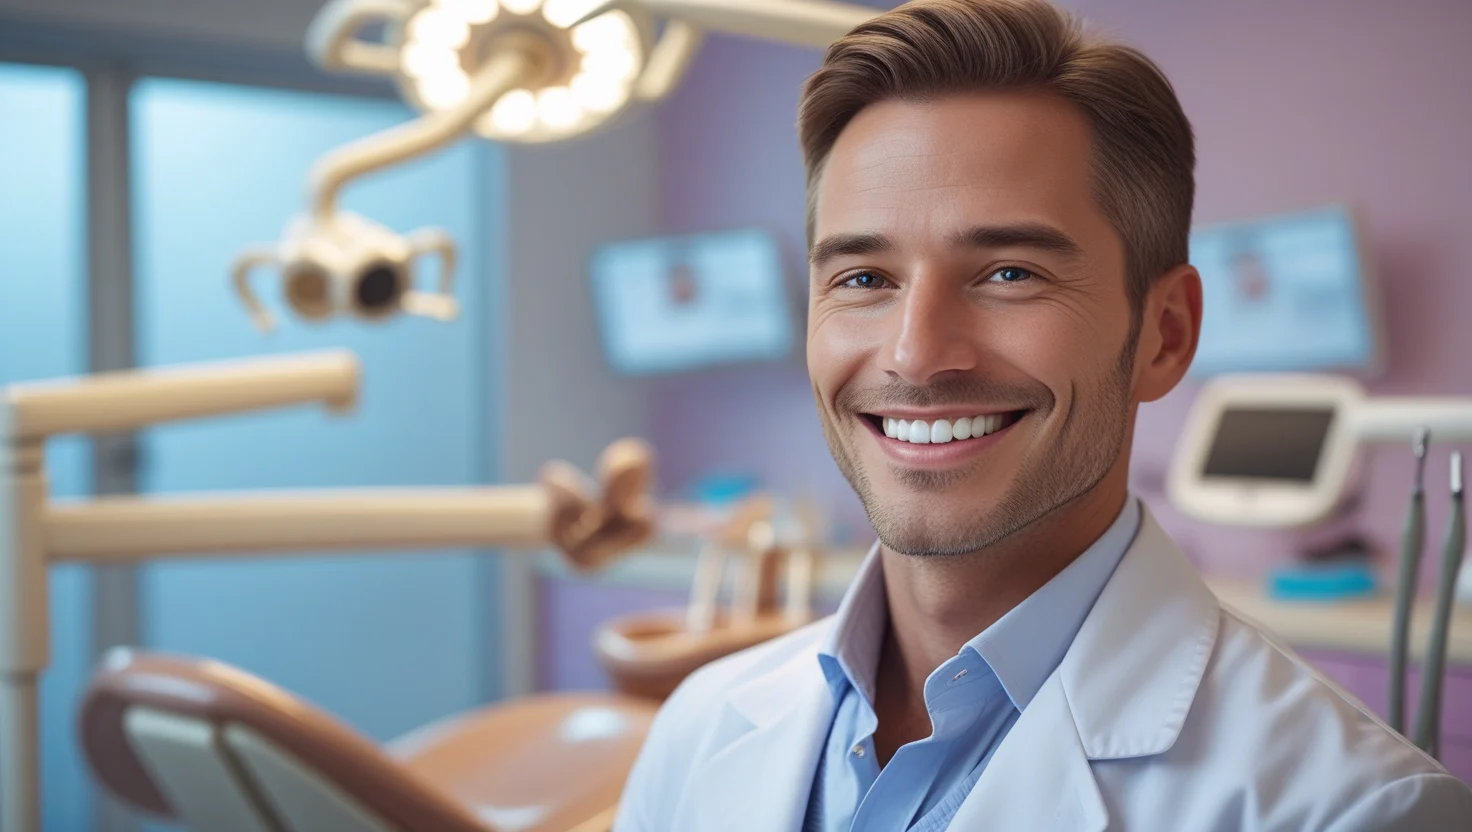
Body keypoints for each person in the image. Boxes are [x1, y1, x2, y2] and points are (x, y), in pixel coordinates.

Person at [613, 1, 1472, 829]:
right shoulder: (697, 730)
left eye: (1009, 274)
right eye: (864, 279)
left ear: (1165, 335)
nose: (916, 353)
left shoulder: (1353, 810)